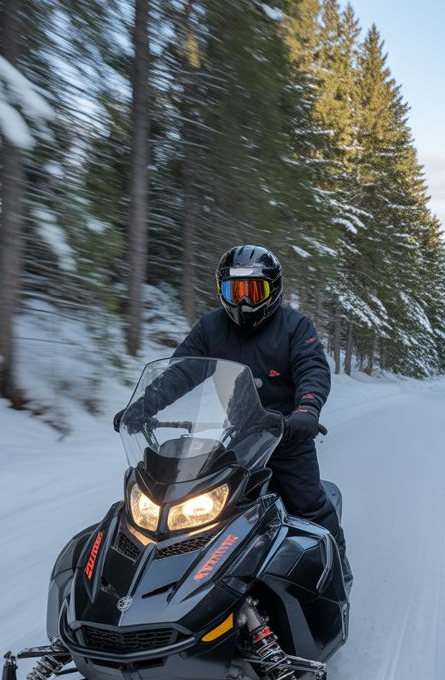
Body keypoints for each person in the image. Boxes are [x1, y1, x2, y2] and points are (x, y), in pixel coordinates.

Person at [116, 244, 348, 573]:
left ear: (273, 290)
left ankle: (337, 571)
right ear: (222, 291)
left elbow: (312, 369)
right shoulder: (212, 327)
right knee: (205, 510)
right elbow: (180, 372)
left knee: (309, 504)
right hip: (239, 439)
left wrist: (307, 410)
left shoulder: (294, 326)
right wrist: (143, 406)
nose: (244, 302)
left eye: (254, 291)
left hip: (288, 436)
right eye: (235, 291)